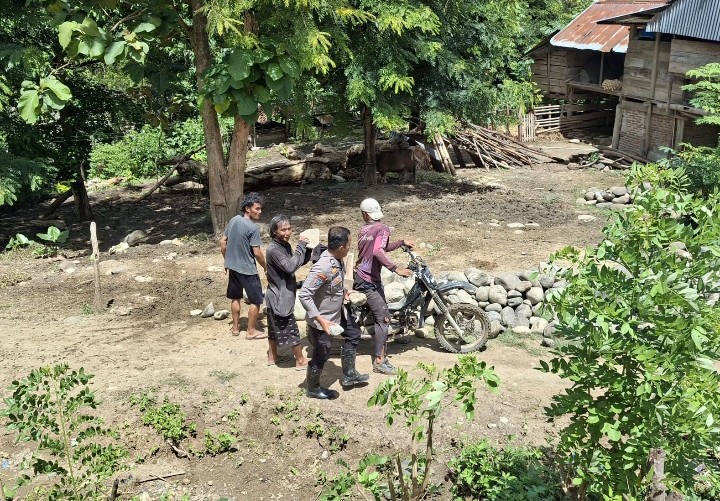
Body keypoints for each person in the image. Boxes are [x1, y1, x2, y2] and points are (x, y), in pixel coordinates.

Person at [299, 227, 369, 399]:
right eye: (349, 244)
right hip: (323, 320)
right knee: (322, 353)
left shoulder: (337, 260)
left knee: (353, 333)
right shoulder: (323, 267)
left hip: (338, 313)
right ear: (341, 247)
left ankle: (349, 374)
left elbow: (332, 285)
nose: (350, 247)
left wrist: (344, 293)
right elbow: (304, 294)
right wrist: (320, 320)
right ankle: (312, 388)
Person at [354, 198, 414, 375]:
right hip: (369, 280)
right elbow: (378, 251)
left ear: (364, 214)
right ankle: (380, 361)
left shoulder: (364, 229)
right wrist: (396, 269)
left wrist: (401, 242)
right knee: (384, 318)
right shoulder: (382, 228)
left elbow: (382, 247)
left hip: (360, 275)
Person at [264, 214, 311, 369]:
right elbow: (290, 267)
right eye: (283, 230)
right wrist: (300, 246)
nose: (288, 232)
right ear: (274, 231)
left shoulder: (283, 246)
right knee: (291, 329)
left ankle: (272, 356)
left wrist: (307, 251)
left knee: (273, 329)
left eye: (289, 229)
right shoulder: (274, 249)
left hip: (277, 295)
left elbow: (294, 262)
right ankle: (300, 360)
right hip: (279, 297)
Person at [220, 192, 267, 339]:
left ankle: (235, 328)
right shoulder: (252, 228)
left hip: (233, 268)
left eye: (260, 208)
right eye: (257, 208)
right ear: (247, 209)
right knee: (256, 300)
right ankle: (251, 331)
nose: (260, 211)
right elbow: (257, 253)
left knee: (235, 297)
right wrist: (265, 266)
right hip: (247, 270)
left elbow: (222, 242)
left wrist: (227, 260)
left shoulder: (234, 220)